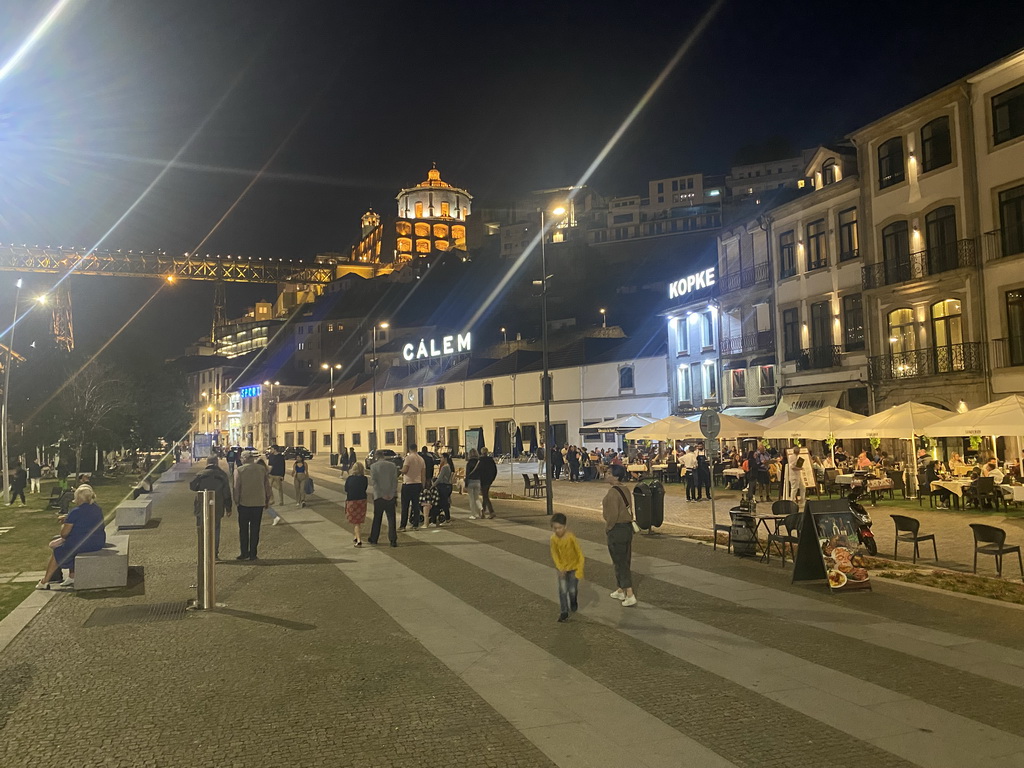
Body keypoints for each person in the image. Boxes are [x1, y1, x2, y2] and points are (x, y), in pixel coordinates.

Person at [35, 485, 105, 590]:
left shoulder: (75, 511)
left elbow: (64, 534)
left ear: (78, 498)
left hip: (83, 543)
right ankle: (72, 576)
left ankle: (45, 581)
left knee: (58, 551)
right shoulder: (97, 508)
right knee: (69, 544)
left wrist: (65, 522)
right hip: (98, 542)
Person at [603, 465, 637, 607]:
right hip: (627, 528)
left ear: (616, 476)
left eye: (609, 473)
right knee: (624, 558)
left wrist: (609, 527)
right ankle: (620, 589)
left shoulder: (612, 493)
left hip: (617, 528)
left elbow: (612, 515)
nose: (606, 474)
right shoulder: (625, 489)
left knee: (620, 561)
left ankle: (629, 593)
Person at [189, 456, 233, 560]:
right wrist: (228, 507)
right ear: (217, 463)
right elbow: (226, 492)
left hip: (201, 505)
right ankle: (214, 553)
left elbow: (192, 487)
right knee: (216, 529)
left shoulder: (200, 474)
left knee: (202, 528)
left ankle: (203, 552)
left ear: (207, 463)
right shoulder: (222, 475)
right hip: (217, 506)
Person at [233, 450, 271, 561]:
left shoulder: (239, 470)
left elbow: (236, 487)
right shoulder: (261, 469)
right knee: (255, 529)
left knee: (243, 529)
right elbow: (267, 486)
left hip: (244, 503)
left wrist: (237, 501)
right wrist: (267, 500)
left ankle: (244, 553)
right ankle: (253, 553)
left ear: (244, 459)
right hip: (258, 503)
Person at [549, 512, 585, 623]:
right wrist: (559, 567)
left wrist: (579, 569)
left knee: (572, 590)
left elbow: (579, 553)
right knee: (563, 590)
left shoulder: (570, 537)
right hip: (562, 569)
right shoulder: (553, 539)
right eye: (555, 528)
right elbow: (554, 553)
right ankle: (564, 612)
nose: (557, 530)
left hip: (574, 567)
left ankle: (573, 601)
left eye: (559, 528)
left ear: (565, 527)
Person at [368, 454, 399, 547]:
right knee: (391, 519)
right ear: (384, 457)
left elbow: (375, 483)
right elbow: (395, 481)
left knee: (377, 518)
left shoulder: (373, 467)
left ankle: (374, 538)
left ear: (377, 457)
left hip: (379, 497)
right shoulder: (392, 466)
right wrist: (391, 493)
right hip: (391, 496)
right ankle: (393, 540)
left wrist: (382, 494)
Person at [400, 446, 426, 530]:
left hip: (408, 484)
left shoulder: (408, 458)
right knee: (416, 506)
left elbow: (405, 470)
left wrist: (399, 470)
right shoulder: (421, 459)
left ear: (410, 449)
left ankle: (403, 525)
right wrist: (423, 485)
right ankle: (415, 525)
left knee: (405, 506)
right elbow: (423, 474)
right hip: (418, 484)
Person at [345, 462, 369, 546]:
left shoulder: (350, 478)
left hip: (352, 500)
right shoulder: (364, 479)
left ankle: (359, 540)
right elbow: (365, 488)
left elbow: (346, 489)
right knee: (358, 520)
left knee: (356, 522)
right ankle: (355, 536)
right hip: (362, 500)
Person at [429, 454, 454, 526]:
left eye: (441, 457)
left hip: (443, 486)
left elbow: (440, 478)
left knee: (440, 503)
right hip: (447, 486)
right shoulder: (448, 466)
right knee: (444, 503)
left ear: (445, 458)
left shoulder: (444, 467)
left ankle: (443, 520)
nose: (440, 459)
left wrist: (433, 485)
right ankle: (447, 519)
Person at [478, 447, 498, 519]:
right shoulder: (490, 460)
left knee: (485, 496)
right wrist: (492, 479)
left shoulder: (480, 461)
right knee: (485, 495)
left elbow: (478, 471)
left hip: (482, 481)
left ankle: (491, 512)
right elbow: (495, 471)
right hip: (488, 481)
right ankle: (483, 512)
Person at [465, 448, 483, 518]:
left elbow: (467, 474)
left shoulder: (469, 463)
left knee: (471, 499)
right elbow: (481, 473)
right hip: (478, 481)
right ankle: (481, 508)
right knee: (477, 498)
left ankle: (473, 514)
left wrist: (466, 484)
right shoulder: (479, 463)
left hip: (471, 482)